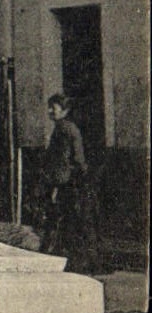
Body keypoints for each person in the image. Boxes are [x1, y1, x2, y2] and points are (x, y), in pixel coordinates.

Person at [40, 93, 98, 273]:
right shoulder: (62, 128)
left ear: (65, 111)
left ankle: (79, 261)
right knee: (71, 221)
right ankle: (76, 260)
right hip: (66, 180)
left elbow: (70, 158)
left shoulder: (65, 129)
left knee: (71, 221)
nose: (50, 111)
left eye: (54, 108)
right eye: (49, 107)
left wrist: (57, 183)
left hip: (67, 182)